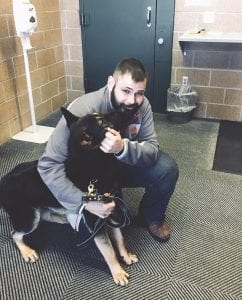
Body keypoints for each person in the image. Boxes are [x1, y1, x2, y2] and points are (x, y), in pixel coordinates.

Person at [37, 58, 179, 242]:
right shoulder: (83, 109)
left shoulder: (143, 106)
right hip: (89, 176)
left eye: (139, 93)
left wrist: (122, 148)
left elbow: (152, 149)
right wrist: (84, 202)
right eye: (126, 91)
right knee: (98, 232)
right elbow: (48, 165)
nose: (132, 100)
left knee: (166, 168)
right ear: (111, 82)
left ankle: (151, 217)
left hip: (121, 163)